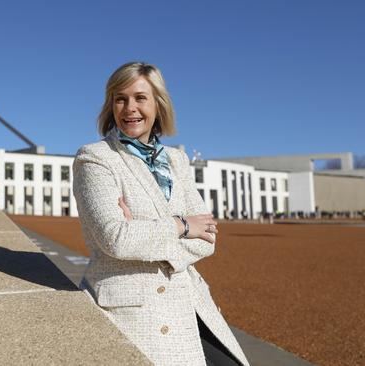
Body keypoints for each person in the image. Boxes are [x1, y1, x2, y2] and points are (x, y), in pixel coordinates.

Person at [73, 62, 249, 366]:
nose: (130, 108)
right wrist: (182, 225)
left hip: (188, 299)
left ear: (158, 104)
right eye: (120, 98)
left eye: (141, 98)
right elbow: (116, 239)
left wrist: (144, 230)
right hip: (131, 307)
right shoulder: (96, 158)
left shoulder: (177, 160)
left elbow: (206, 238)